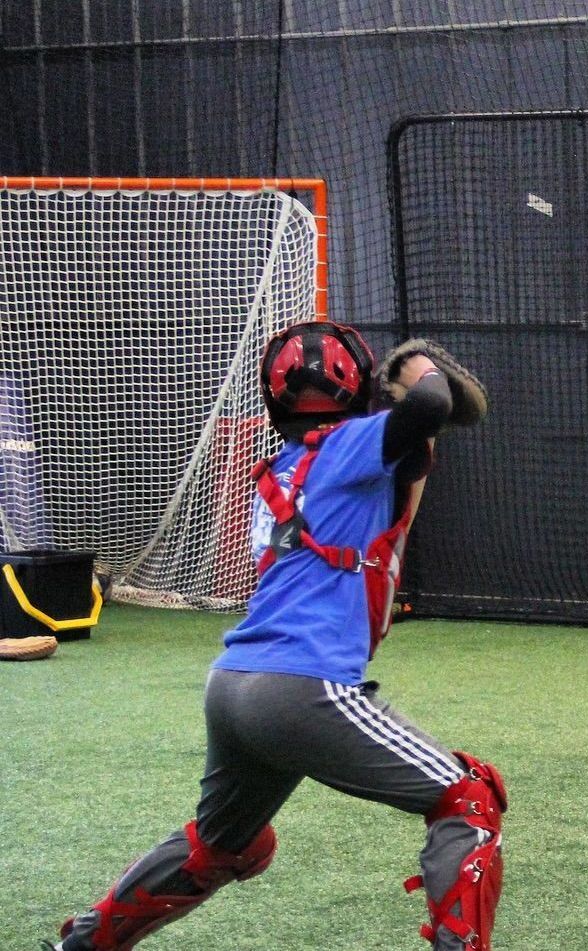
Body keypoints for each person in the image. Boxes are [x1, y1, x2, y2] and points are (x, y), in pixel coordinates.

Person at [45, 321, 506, 950]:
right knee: (470, 799)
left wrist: (397, 407)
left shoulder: (284, 467)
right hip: (303, 687)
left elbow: (409, 468)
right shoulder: (354, 447)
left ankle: (83, 945)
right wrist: (416, 365)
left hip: (234, 684)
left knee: (222, 846)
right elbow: (431, 406)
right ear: (357, 393)